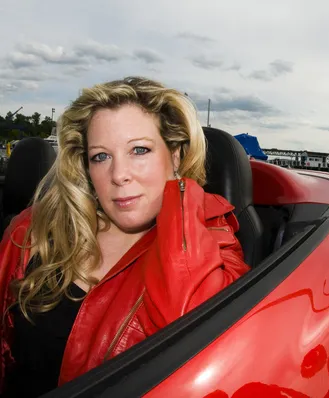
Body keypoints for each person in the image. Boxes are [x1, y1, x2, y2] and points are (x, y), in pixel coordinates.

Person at [0, 77, 250, 397]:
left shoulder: (214, 243)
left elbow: (197, 350)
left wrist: (181, 190)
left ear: (174, 156)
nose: (118, 175)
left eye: (139, 150)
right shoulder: (34, 229)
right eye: (101, 156)